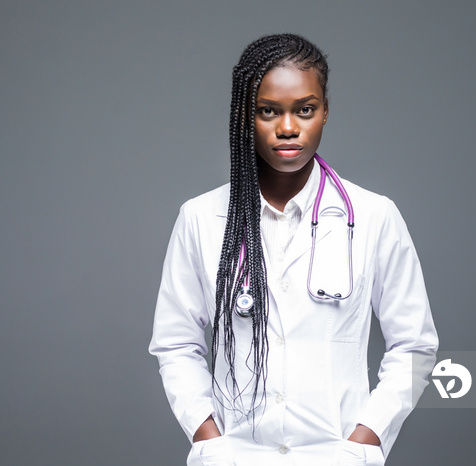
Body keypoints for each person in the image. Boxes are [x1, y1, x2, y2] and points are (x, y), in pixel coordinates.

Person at [149, 33, 438, 466]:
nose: (288, 127)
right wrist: (208, 438)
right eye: (268, 111)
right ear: (246, 116)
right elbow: (176, 345)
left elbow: (414, 346)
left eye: (305, 109)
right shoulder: (200, 218)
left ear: (325, 112)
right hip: (236, 458)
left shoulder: (375, 216)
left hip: (337, 456)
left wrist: (367, 439)